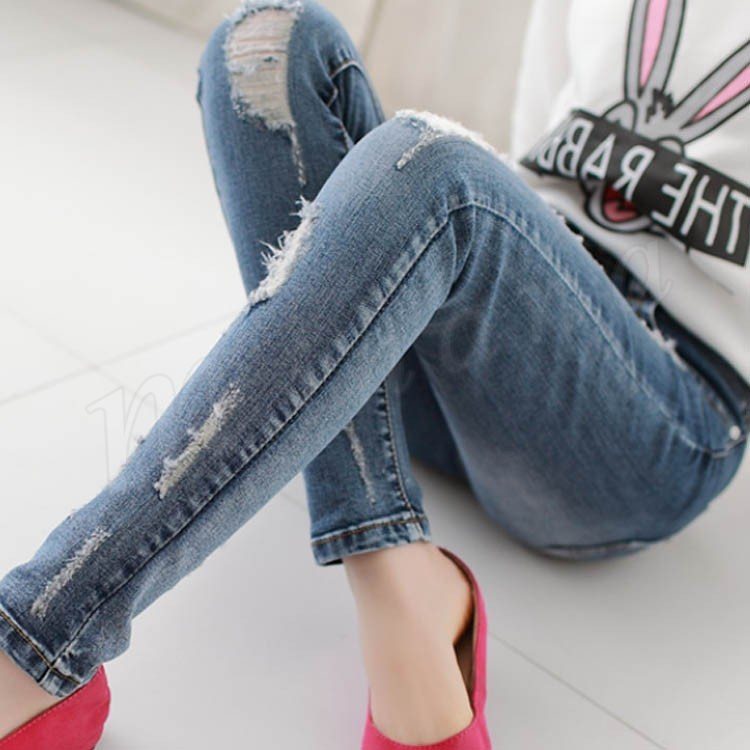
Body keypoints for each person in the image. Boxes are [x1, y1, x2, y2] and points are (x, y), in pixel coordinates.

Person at [1, 0, 748, 747]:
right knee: (264, 44)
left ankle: (37, 640)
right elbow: (538, 159)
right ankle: (395, 569)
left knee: (442, 169)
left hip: (659, 409)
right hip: (513, 306)